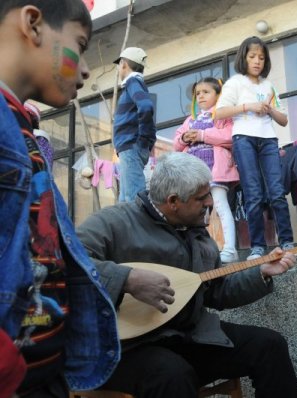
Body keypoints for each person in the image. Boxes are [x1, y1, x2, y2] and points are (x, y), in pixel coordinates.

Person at [76, 152, 297, 398]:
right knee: (172, 375)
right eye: (201, 197)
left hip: (190, 337)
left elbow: (217, 291)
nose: (209, 203)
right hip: (124, 349)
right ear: (173, 201)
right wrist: (127, 279)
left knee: (268, 345)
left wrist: (261, 273)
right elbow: (69, 264)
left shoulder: (196, 230)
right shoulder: (113, 222)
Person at [0, 1, 120, 397]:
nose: (85, 69)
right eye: (80, 45)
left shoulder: (24, 130)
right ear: (33, 24)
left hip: (45, 375)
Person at [214, 36, 294, 260]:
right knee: (253, 193)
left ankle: (287, 241)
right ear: (244, 58)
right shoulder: (235, 82)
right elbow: (219, 112)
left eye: (261, 57)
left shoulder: (269, 85)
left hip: (268, 140)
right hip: (243, 139)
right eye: (252, 56)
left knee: (277, 192)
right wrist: (248, 106)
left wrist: (269, 109)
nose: (257, 61)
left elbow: (283, 120)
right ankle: (257, 246)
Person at [174, 77, 240, 263]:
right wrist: (185, 138)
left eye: (206, 92)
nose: (200, 96)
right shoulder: (190, 119)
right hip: (195, 175)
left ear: (218, 95)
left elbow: (229, 136)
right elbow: (176, 144)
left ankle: (229, 249)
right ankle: (205, 252)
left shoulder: (222, 115)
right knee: (199, 213)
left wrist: (202, 135)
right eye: (198, 94)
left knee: (220, 206)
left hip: (216, 170)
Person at [113, 46, 156, 203]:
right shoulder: (134, 84)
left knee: (133, 198)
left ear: (123, 64)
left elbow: (146, 106)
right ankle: (124, 227)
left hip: (131, 145)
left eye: (119, 65)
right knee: (124, 200)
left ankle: (139, 227)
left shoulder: (132, 82)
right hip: (129, 147)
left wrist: (143, 138)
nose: (118, 69)